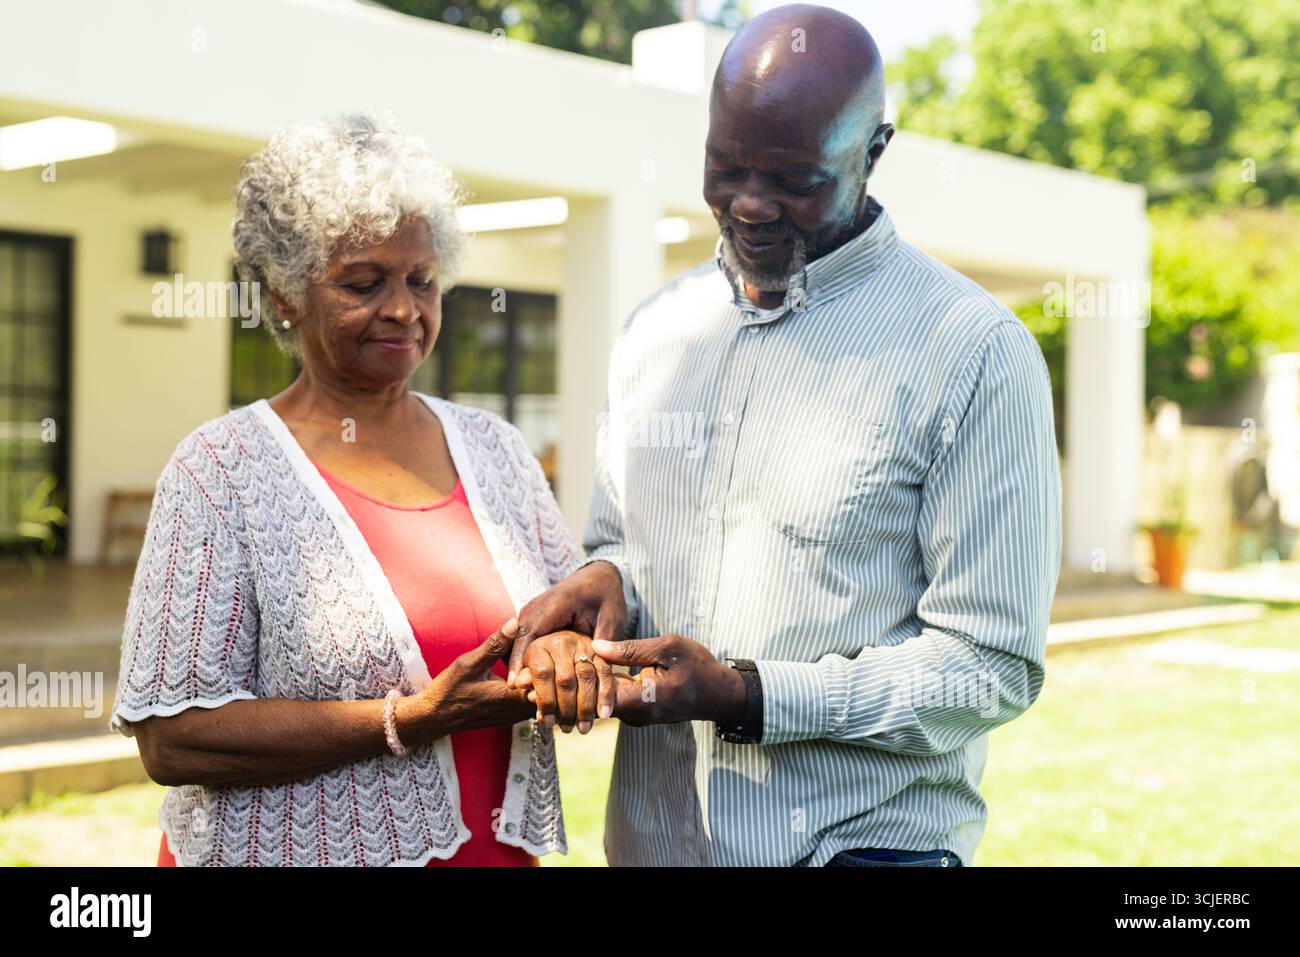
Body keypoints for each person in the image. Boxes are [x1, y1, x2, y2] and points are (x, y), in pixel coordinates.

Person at [511, 4, 1062, 867]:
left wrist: (749, 695)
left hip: (858, 852)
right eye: (724, 168)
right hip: (653, 847)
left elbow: (989, 664)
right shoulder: (657, 333)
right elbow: (624, 542)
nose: (751, 205)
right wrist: (601, 584)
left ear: (875, 151)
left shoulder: (973, 353)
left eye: (796, 179)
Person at [110, 114, 609, 866]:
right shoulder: (219, 472)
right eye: (364, 282)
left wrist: (567, 653)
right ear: (284, 295)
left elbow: (567, 616)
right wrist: (407, 719)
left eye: (422, 280)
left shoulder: (495, 450)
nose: (405, 308)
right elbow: (171, 737)